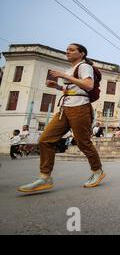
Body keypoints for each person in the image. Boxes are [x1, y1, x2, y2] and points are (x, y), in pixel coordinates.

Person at [18, 43, 105, 193]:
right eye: (67, 50)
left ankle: (97, 171)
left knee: (83, 142)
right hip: (64, 108)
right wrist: (56, 87)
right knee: (45, 139)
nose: (67, 52)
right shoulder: (70, 69)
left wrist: (64, 76)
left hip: (80, 108)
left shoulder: (84, 66)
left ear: (82, 53)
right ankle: (45, 177)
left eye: (72, 50)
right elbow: (72, 88)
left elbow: (88, 85)